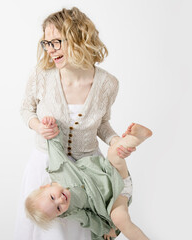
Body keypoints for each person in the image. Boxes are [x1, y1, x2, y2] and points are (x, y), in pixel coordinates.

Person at [15, 7, 135, 240]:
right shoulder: (41, 75)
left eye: (57, 42)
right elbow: (25, 109)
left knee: (81, 231)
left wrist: (116, 140)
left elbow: (103, 125)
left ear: (79, 37)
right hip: (46, 168)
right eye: (46, 43)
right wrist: (38, 126)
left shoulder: (108, 83)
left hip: (87, 173)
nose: (50, 50)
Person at [25, 120, 152, 240]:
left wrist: (51, 125)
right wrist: (106, 229)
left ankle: (136, 138)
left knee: (114, 152)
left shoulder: (58, 169)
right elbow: (89, 219)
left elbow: (55, 146)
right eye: (58, 208)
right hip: (116, 199)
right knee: (119, 219)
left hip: (113, 173)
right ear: (60, 215)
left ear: (45, 187)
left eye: (52, 197)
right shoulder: (71, 210)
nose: (61, 200)